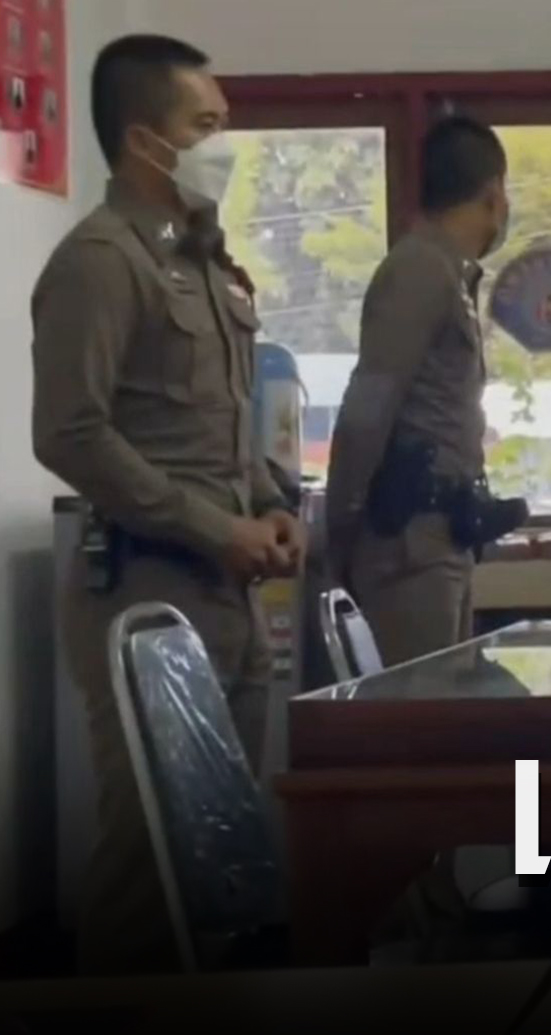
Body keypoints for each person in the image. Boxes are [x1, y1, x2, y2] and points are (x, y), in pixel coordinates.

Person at [32, 34, 302, 974]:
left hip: (226, 594)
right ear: (146, 140)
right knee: (152, 865)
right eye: (206, 124)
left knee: (220, 859)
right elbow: (69, 432)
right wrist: (216, 528)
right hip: (148, 589)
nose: (223, 144)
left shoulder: (203, 260)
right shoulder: (101, 261)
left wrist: (270, 506)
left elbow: (224, 426)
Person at [325, 116, 512, 665]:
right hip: (408, 544)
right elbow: (368, 410)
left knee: (447, 705)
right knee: (418, 706)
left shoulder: (449, 274)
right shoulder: (418, 270)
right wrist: (341, 532)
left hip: (442, 538)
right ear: (493, 194)